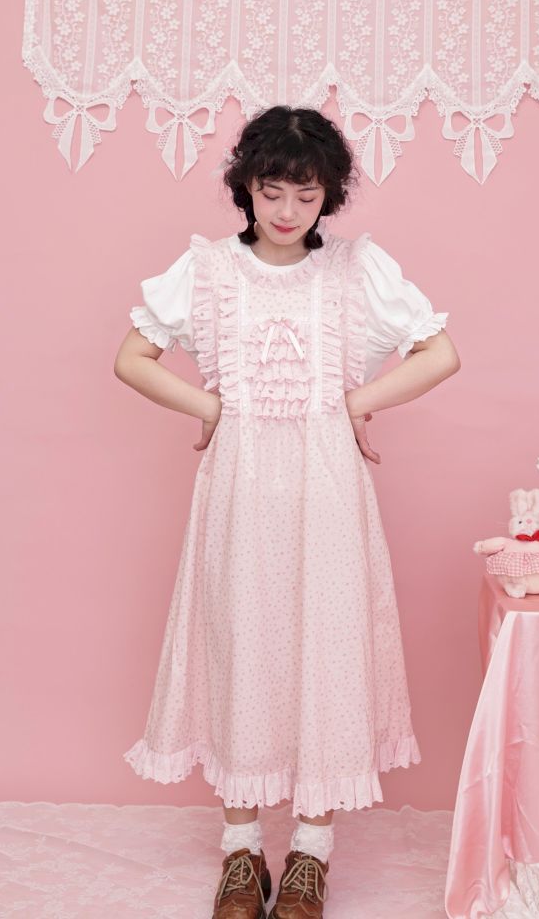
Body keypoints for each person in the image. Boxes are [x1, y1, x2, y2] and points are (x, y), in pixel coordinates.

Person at [113, 105, 460, 919]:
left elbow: (440, 352)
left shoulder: (354, 270)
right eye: (273, 191)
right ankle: (241, 853)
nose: (287, 210)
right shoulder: (208, 270)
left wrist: (353, 403)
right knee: (239, 649)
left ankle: (310, 854)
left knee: (326, 652)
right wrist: (212, 406)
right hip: (238, 494)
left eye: (307, 195)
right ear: (247, 186)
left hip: (327, 493)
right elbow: (131, 358)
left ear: (328, 195)